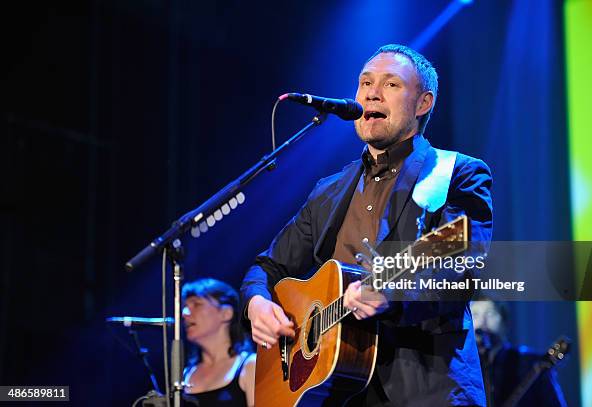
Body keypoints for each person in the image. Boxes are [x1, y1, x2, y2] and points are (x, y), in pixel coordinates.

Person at [241, 44, 493, 406]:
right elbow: (266, 267)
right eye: (365, 83)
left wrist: (391, 294)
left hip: (428, 389)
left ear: (423, 103)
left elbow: (462, 266)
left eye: (390, 85)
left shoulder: (455, 172)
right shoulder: (328, 190)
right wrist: (257, 304)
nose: (371, 92)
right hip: (336, 393)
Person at [470, 297, 568, 407]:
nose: (483, 322)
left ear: (504, 322)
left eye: (490, 314)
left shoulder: (530, 363)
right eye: (475, 315)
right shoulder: (463, 367)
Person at [181, 278, 256, 407]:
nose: (185, 313)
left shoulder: (250, 366)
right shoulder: (185, 375)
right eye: (185, 307)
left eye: (196, 304)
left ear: (226, 313)